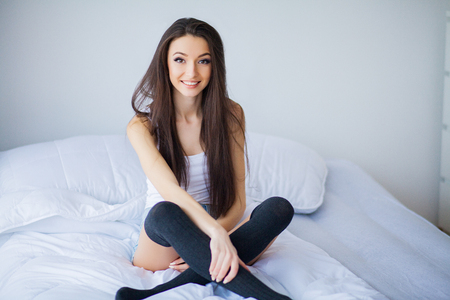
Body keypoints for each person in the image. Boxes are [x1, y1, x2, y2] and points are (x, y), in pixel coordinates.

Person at [116, 18, 294, 300]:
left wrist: (211, 238)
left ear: (215, 66)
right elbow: (171, 193)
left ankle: (179, 280)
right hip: (166, 235)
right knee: (164, 211)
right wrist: (214, 236)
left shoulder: (231, 114)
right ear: (165, 64)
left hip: (218, 227)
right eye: (180, 60)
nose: (191, 72)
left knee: (279, 209)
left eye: (203, 61)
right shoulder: (142, 126)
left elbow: (237, 202)